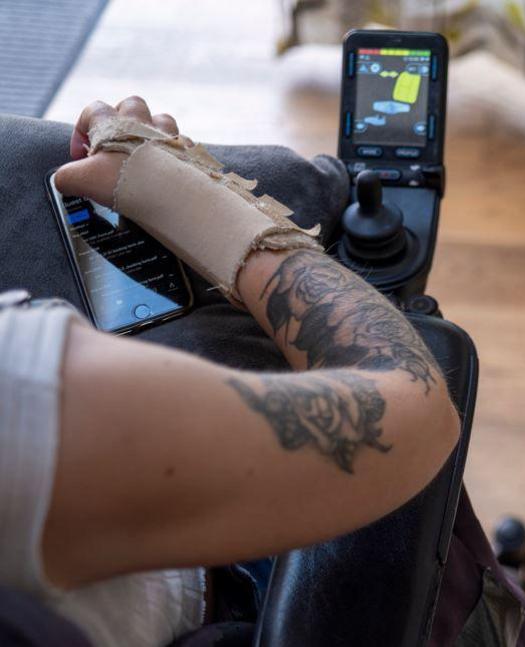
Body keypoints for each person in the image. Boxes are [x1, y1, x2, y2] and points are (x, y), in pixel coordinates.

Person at [0, 97, 461, 646]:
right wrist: (206, 207)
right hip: (225, 581)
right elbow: (415, 410)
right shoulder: (22, 398)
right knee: (292, 181)